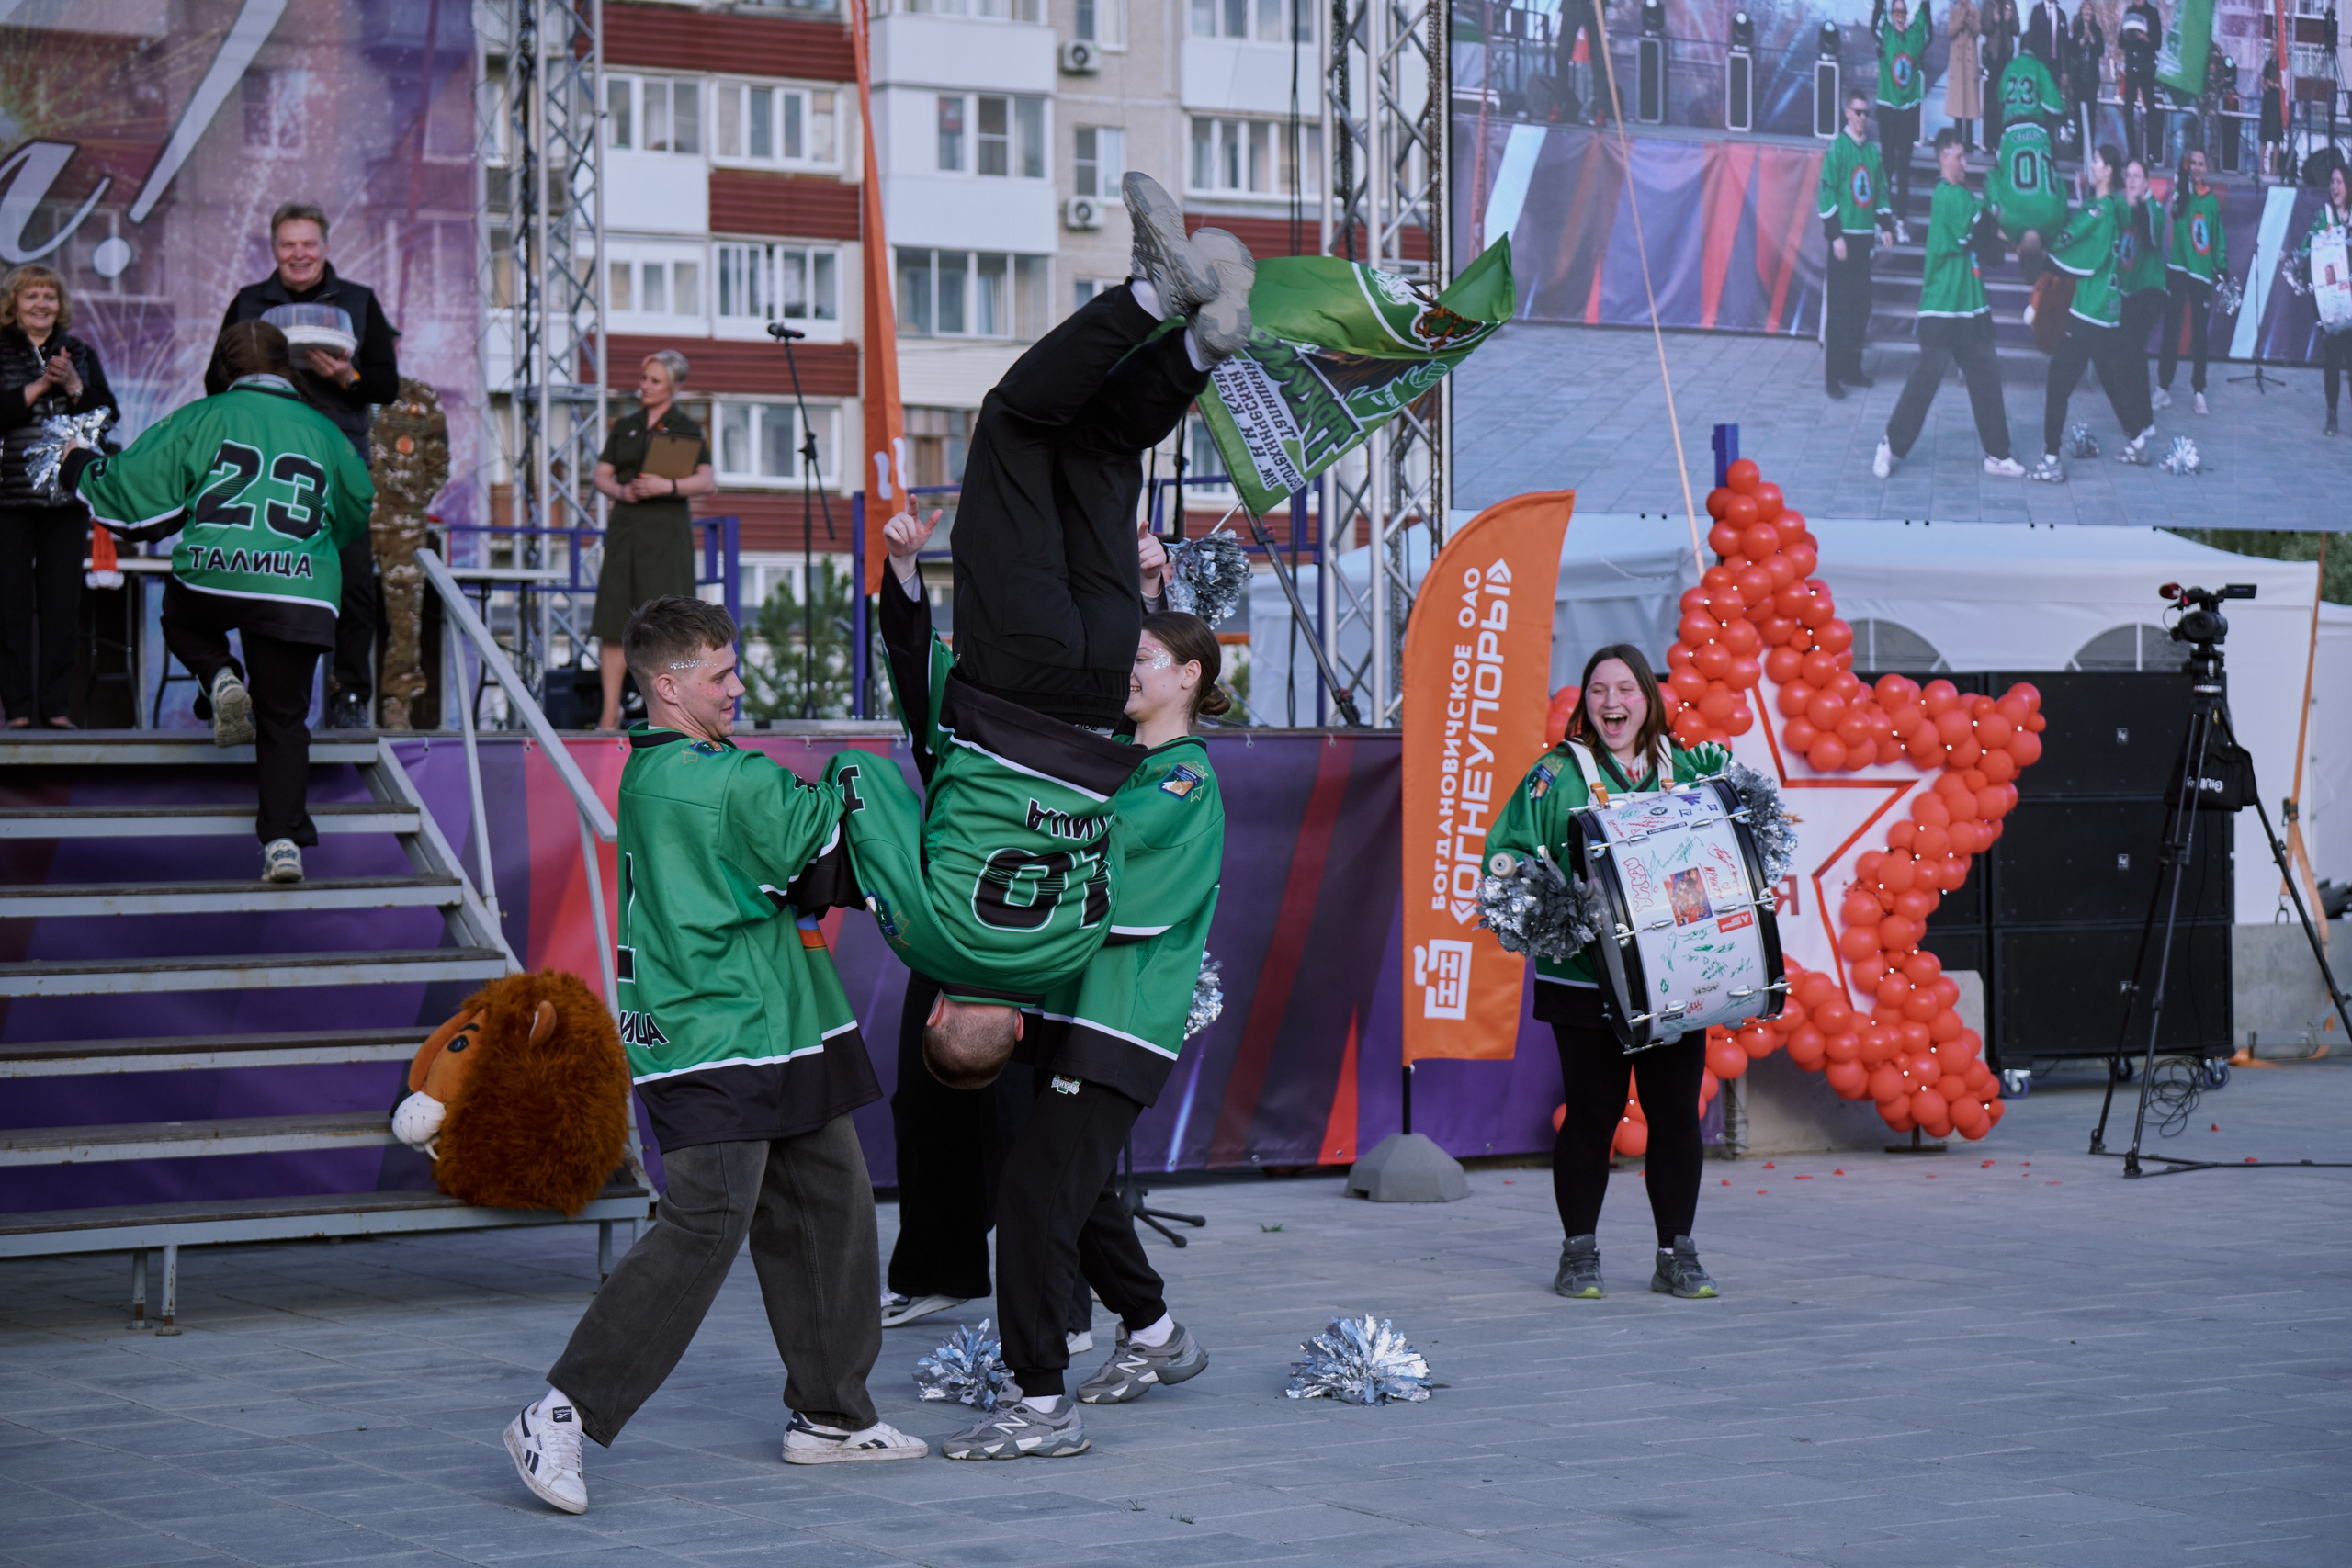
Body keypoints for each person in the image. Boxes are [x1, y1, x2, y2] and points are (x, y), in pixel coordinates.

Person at [501, 594, 922, 1517]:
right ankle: (560, 1411)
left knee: (830, 1207)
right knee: (705, 1224)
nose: (738, 688)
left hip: (779, 1020)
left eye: (734, 670)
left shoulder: (688, 767)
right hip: (713, 1031)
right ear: (665, 684)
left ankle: (832, 1416)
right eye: (719, 675)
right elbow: (835, 859)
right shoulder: (707, 778)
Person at [59, 322, 370, 881]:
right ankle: (282, 844)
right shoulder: (327, 431)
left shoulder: (199, 418)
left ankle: (220, 674)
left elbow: (133, 491)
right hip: (299, 589)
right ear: (287, 368)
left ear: (224, 369)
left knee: (183, 619)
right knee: (284, 718)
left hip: (215, 576)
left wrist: (77, 463)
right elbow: (355, 509)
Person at [1487, 645, 1733, 1303]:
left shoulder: (1687, 768)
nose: (1612, 702)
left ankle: (1676, 1253)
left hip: (1677, 976)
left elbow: (1735, 843)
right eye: (1599, 689)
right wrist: (1548, 909)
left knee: (1675, 1112)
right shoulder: (1553, 774)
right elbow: (1504, 857)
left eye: (1626, 688)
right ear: (1584, 701)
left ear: (1648, 697)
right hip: (1583, 978)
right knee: (1592, 1112)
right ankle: (1579, 1253)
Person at [223, 202, 400, 730]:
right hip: (264, 462)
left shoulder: (359, 302)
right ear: (273, 249)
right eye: (287, 244)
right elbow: (215, 381)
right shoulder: (249, 302)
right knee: (266, 578)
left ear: (324, 246)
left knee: (352, 583)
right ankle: (264, 694)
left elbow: (387, 386)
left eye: (308, 244)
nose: (298, 254)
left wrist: (348, 377)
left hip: (337, 462)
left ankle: (349, 693)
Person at [0, 265, 116, 729]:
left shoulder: (79, 350)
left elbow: (108, 416)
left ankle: (56, 707)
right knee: (9, 606)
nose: (42, 305)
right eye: (32, 297)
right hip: (7, 500)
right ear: (15, 303)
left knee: (61, 607)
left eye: (49, 296)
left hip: (65, 498)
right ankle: (19, 710)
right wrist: (41, 386)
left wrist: (72, 385)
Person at [1876, 130, 2023, 479]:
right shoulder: (1948, 195)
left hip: (1970, 305)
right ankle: (1890, 445)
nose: (1964, 163)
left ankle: (1997, 455)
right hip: (1942, 305)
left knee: (1986, 377)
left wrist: (2006, 237)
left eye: (1964, 156)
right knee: (1924, 381)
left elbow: (1988, 244)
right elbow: (1986, 228)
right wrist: (2012, 233)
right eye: (1959, 157)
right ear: (1943, 158)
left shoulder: (1964, 196)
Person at [591, 351, 714, 730]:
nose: (644, 385)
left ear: (675, 386)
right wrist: (619, 491)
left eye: (654, 380)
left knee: (669, 624)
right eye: (644, 377)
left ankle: (670, 713)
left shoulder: (686, 428)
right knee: (613, 619)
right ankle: (610, 712)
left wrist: (668, 485)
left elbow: (707, 481)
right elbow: (601, 474)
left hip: (667, 532)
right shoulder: (625, 424)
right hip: (627, 529)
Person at [2032, 145, 2156, 479]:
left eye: (2098, 162)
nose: (2092, 164)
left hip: (2088, 312)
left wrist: (2039, 235)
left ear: (2108, 172)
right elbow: (2105, 207)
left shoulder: (2099, 212)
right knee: (2112, 381)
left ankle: (2051, 460)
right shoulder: (2113, 206)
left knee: (2058, 383)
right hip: (2109, 311)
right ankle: (2139, 442)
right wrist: (2085, 190)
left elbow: (2070, 238)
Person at [1818, 91, 1898, 399]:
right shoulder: (1838, 149)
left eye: (1867, 113)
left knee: (1860, 307)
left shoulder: (1873, 153)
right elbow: (1826, 194)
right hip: (1843, 240)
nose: (1864, 118)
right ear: (1847, 113)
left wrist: (1886, 225)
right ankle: (1832, 377)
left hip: (1864, 240)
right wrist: (1835, 234)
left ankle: (1852, 368)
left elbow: (1880, 191)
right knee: (1839, 310)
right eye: (1859, 112)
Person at [2157, 149, 2224, 415]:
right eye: (2193, 163)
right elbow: (2174, 212)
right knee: (2171, 329)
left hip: (2201, 273)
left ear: (2206, 168)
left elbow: (2218, 235)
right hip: (2178, 268)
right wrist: (2183, 185)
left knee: (2199, 334)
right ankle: (2163, 387)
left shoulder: (2211, 201)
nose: (2196, 168)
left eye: (2200, 164)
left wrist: (2222, 265)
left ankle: (2199, 390)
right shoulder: (2179, 190)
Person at [2116, 158, 2171, 414]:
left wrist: (2136, 205)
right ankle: (2135, 409)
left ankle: (2140, 413)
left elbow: (2149, 237)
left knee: (2132, 347)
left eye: (2137, 176)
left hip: (2149, 290)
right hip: (2127, 289)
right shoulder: (2121, 203)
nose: (2131, 180)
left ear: (2147, 182)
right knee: (2125, 351)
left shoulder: (2154, 209)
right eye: (2128, 175)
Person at [1871, 0, 1933, 228]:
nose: (1899, 15)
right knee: (1887, 164)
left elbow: (1928, 26)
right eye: (1896, 11)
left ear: (1907, 14)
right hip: (1888, 108)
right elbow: (1875, 23)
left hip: (1908, 110)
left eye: (1902, 11)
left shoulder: (1915, 37)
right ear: (1891, 13)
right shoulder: (1884, 35)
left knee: (1904, 166)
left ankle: (1901, 218)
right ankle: (1884, 218)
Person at [2313, 165, 2352, 435]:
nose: (2335, 187)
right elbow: (2307, 248)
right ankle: (2332, 415)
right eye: (2332, 181)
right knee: (2331, 363)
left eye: (2339, 181)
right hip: (2331, 305)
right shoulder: (2323, 217)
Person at [2119, 0, 2163, 161]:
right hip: (2131, 67)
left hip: (2146, 68)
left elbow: (2158, 43)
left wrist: (2145, 39)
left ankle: (2152, 153)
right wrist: (2126, 35)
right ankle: (2132, 153)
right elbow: (2120, 41)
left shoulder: (2153, 12)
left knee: (2150, 110)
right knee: (2128, 110)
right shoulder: (2129, 11)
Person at [2064, 7, 2105, 157]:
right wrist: (2081, 41)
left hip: (2092, 78)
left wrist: (2091, 39)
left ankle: (2088, 147)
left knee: (2091, 115)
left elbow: (2101, 50)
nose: (2086, 16)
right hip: (2078, 77)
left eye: (2089, 14)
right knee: (2077, 115)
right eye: (2084, 13)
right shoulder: (2076, 28)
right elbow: (2070, 49)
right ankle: (2077, 150)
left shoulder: (2097, 29)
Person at [1947, 0, 1984, 150]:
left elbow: (1977, 31)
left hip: (1969, 64)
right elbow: (1950, 32)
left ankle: (1968, 141)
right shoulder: (1954, 11)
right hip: (1957, 63)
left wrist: (1968, 19)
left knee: (1970, 102)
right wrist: (1961, 19)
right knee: (1957, 104)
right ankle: (1957, 138)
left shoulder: (1975, 11)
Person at [1983, 0, 2019, 144]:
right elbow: (1984, 28)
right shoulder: (1988, 3)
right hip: (1993, 57)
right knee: (1992, 99)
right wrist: (1995, 20)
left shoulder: (2011, 3)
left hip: (2007, 57)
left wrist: (2009, 20)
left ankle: (2005, 136)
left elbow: (2017, 29)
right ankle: (1990, 140)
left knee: (2006, 99)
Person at [2259, 53, 2285, 184]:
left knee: (2276, 138)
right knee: (2264, 136)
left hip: (2277, 104)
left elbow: (2285, 85)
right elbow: (2262, 81)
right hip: (2267, 103)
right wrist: (2265, 85)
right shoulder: (2268, 63)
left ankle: (2274, 169)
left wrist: (2274, 85)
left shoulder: (2283, 64)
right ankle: (2262, 168)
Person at [2023, 0, 2063, 70]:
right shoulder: (2037, 10)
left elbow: (2064, 43)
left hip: (2056, 65)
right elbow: (2031, 38)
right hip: (2039, 62)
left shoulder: (2061, 13)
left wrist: (2065, 70)